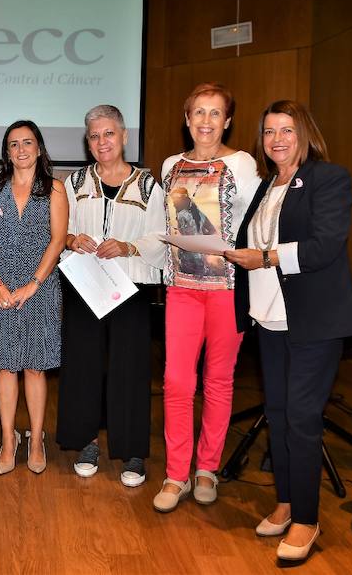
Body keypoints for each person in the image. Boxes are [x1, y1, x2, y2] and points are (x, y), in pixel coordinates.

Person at [226, 100, 352, 562]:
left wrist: (265, 257)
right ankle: (286, 503)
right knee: (280, 416)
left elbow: (324, 246)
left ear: (304, 133)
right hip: (269, 319)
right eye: (267, 131)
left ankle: (306, 518)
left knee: (301, 420)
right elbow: (252, 243)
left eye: (285, 129)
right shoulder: (268, 185)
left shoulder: (329, 178)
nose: (276, 139)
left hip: (313, 322)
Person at [153, 82, 261, 512]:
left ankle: (206, 469)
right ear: (186, 118)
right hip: (181, 288)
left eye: (215, 113)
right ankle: (176, 473)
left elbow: (256, 223)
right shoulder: (169, 166)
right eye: (198, 112)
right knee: (177, 383)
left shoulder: (243, 163)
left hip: (228, 291)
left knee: (218, 382)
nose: (205, 121)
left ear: (228, 120)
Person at [56, 105, 166, 486]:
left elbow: (160, 236)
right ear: (88, 143)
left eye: (109, 134)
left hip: (130, 288)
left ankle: (132, 450)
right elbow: (59, 228)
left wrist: (129, 247)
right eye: (94, 136)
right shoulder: (73, 184)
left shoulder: (149, 186)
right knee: (83, 365)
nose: (102, 142)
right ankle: (86, 441)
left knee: (130, 368)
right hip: (85, 285)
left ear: (123, 137)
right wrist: (71, 239)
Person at [0, 120, 67, 475]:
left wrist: (33, 283)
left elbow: (57, 240)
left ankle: (37, 436)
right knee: (5, 365)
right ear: (7, 152)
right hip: (0, 288)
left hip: (40, 287)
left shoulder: (54, 189)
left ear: (39, 148)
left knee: (34, 366)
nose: (21, 149)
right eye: (14, 144)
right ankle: (8, 438)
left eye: (28, 142)